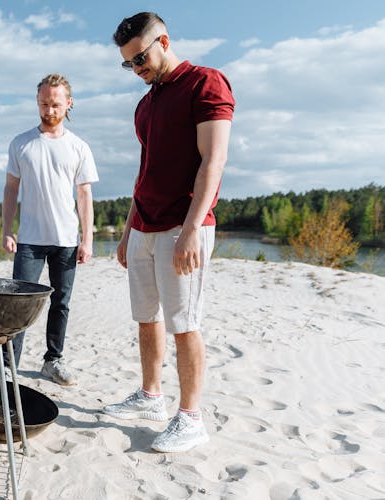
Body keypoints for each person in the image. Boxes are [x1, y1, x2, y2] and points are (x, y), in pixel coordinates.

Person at [102, 12, 234, 453]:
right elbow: (145, 171)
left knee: (184, 323)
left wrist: (193, 228)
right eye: (128, 64)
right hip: (144, 225)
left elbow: (212, 163)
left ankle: (191, 417)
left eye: (140, 58)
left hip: (184, 225)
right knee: (146, 318)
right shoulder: (146, 103)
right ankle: (151, 395)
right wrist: (126, 231)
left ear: (164, 40)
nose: (136, 69)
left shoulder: (206, 83)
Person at [1, 73, 99, 386]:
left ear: (69, 104)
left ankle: (53, 360)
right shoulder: (21, 143)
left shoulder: (79, 147)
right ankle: (8, 367)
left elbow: (84, 195)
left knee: (61, 303)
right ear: (38, 102)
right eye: (44, 103)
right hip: (29, 239)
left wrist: (88, 239)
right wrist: (7, 229)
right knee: (19, 304)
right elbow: (10, 189)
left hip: (66, 240)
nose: (49, 110)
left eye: (56, 104)